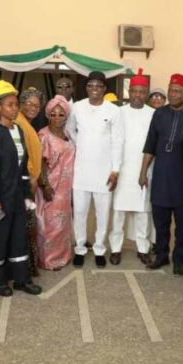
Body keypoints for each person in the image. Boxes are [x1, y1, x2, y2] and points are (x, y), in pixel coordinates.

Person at [0, 81, 42, 297]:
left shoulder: (19, 130)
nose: (14, 108)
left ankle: (21, 279)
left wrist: (27, 196)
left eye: (16, 104)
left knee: (18, 238)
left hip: (16, 196)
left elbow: (23, 168)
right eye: (9, 105)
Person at [139, 73, 183, 276]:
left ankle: (178, 259)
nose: (172, 94)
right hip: (161, 177)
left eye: (177, 91)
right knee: (161, 222)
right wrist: (143, 173)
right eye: (170, 90)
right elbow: (150, 145)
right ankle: (161, 255)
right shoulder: (159, 114)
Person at [66, 71, 123, 268]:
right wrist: (79, 144)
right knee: (80, 213)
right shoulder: (78, 107)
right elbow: (69, 129)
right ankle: (80, 249)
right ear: (86, 88)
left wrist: (115, 169)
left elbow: (118, 141)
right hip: (81, 171)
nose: (94, 89)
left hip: (104, 172)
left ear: (104, 88)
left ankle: (99, 249)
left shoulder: (113, 111)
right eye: (91, 86)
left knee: (102, 214)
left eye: (99, 86)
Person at [109, 70, 154, 265]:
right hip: (123, 169)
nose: (137, 95)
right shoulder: (119, 112)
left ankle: (143, 249)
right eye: (134, 91)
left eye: (141, 92)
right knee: (118, 212)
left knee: (143, 212)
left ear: (146, 93)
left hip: (145, 169)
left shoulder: (154, 114)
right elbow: (113, 142)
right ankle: (116, 248)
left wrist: (146, 171)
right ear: (129, 92)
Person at [35, 95, 75, 270]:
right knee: (50, 225)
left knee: (63, 224)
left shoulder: (68, 134)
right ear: (47, 115)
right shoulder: (43, 135)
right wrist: (45, 185)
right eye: (53, 114)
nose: (57, 118)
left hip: (66, 188)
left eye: (61, 114)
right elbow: (40, 163)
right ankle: (48, 260)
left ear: (66, 116)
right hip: (51, 186)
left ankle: (62, 257)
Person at [17, 87, 46, 276]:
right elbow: (21, 156)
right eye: (29, 104)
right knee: (23, 227)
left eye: (37, 105)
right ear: (21, 104)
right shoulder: (19, 123)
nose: (33, 108)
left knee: (27, 226)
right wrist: (30, 179)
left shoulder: (27, 124)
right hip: (23, 183)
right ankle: (21, 268)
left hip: (30, 182)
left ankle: (25, 266)